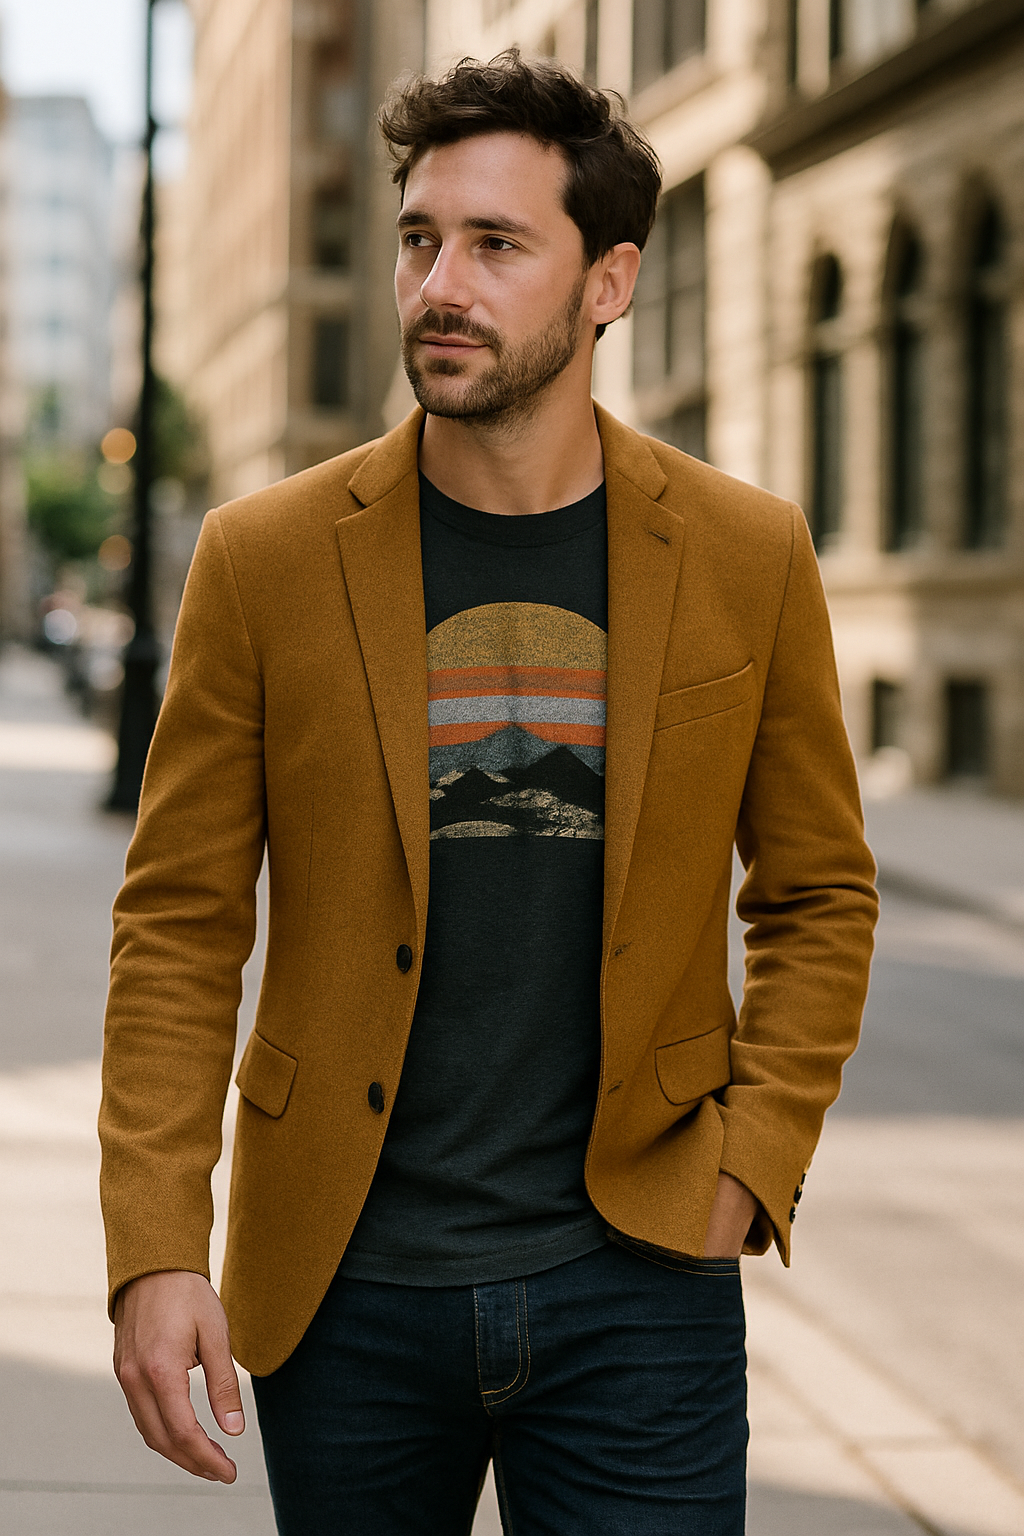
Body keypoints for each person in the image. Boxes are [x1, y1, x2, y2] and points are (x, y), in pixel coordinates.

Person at [100, 50, 877, 1535]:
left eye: (496, 245)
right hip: (347, 1289)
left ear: (609, 283)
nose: (438, 284)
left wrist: (749, 1167)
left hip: (638, 1284)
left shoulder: (744, 554)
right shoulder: (261, 561)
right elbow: (180, 925)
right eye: (419, 239)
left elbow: (819, 895)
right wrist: (154, 1245)